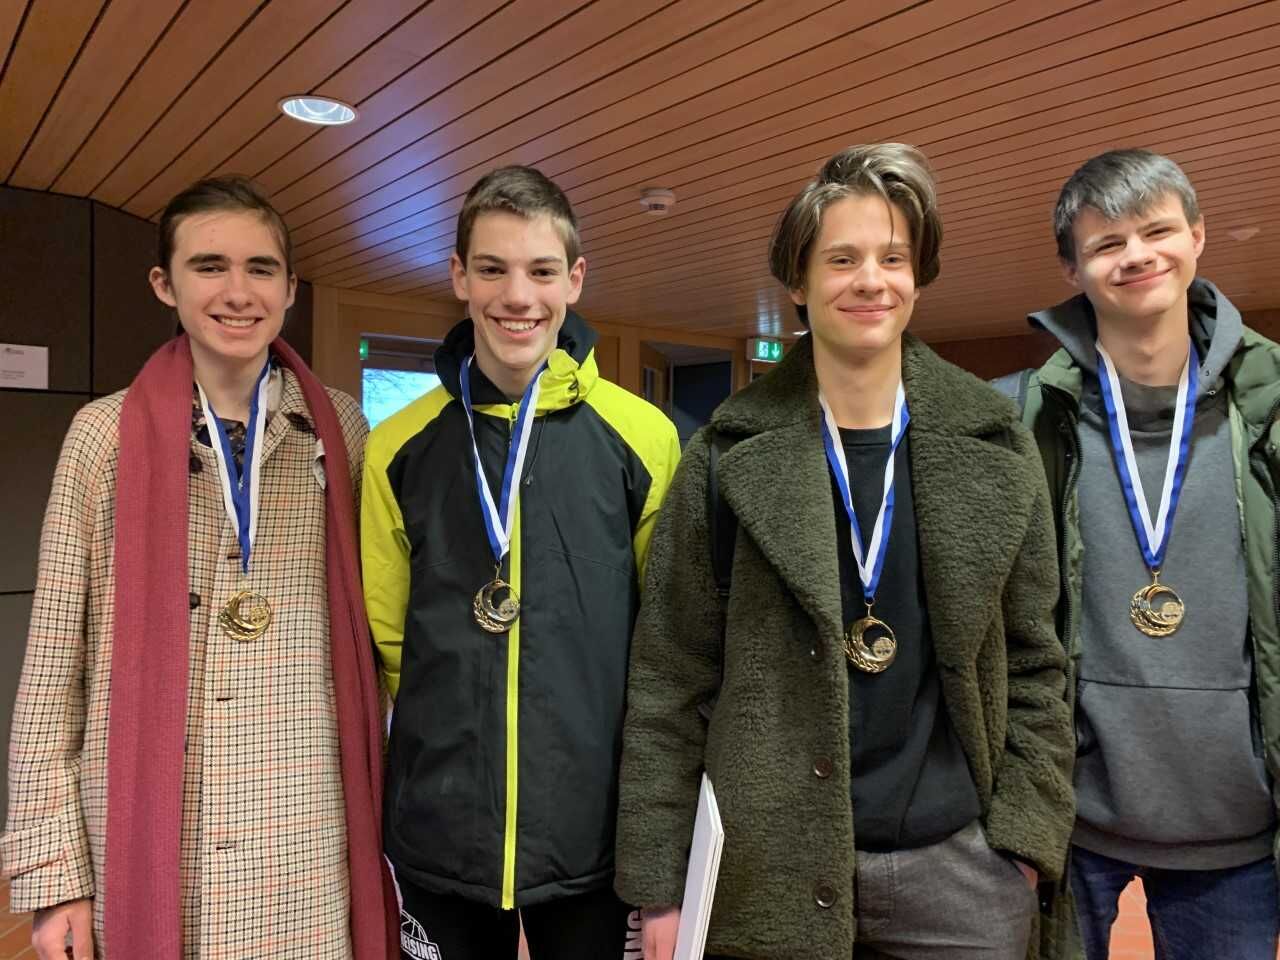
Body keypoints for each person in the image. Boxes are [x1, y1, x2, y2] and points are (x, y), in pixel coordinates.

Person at [613, 143, 1076, 960]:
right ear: (797, 280)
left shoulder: (997, 445)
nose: (871, 280)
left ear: (919, 275)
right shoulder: (724, 455)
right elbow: (669, 679)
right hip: (767, 875)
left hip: (963, 873)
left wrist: (1025, 843)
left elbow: (1038, 660)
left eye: (893, 258)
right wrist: (660, 886)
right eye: (842, 258)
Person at [0, 175, 397, 959]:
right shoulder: (103, 436)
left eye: (260, 269)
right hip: (162, 832)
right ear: (165, 283)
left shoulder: (342, 431)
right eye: (209, 266)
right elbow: (51, 668)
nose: (237, 292)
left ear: (290, 288)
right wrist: (54, 879)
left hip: (308, 836)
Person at [361, 165, 680, 960]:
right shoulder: (397, 446)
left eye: (541, 271)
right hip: (442, 830)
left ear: (574, 279)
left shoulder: (644, 438)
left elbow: (666, 645)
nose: (517, 296)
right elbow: (391, 639)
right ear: (459, 276)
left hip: (593, 831)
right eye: (493, 269)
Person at [1006, 148, 1280, 960]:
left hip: (1238, 829)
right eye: (1107, 242)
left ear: (1197, 236)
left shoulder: (1270, 407)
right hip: (1070, 821)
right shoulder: (1029, 418)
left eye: (1157, 230)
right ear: (1073, 268)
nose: (1136, 255)